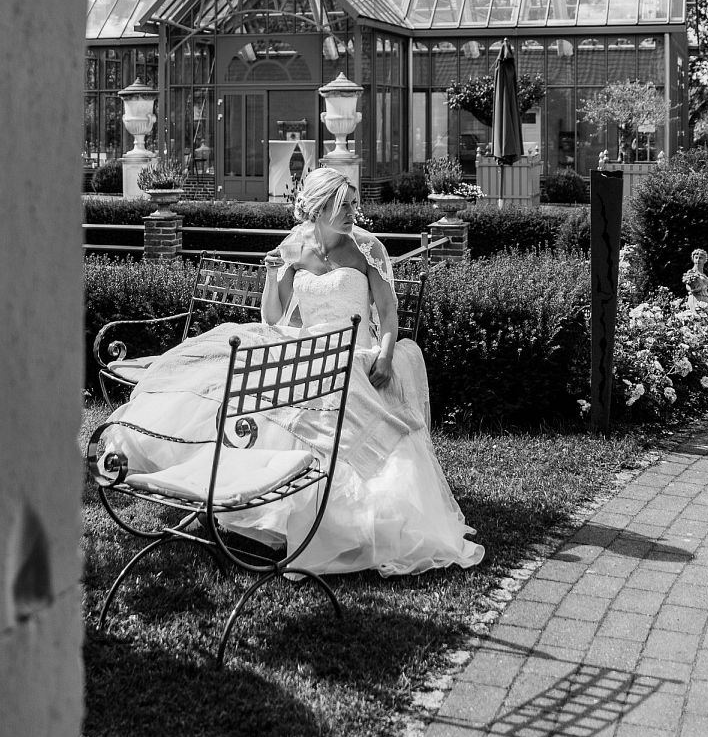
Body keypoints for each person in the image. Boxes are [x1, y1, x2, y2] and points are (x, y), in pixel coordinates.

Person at [97, 166, 484, 576]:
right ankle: (244, 491)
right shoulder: (294, 247)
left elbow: (388, 313)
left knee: (329, 389)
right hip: (305, 346)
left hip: (356, 350)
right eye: (342, 205)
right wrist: (270, 274)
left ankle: (341, 515)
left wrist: (386, 355)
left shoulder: (365, 249)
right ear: (317, 209)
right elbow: (274, 316)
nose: (353, 213)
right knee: (246, 378)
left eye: (354, 204)